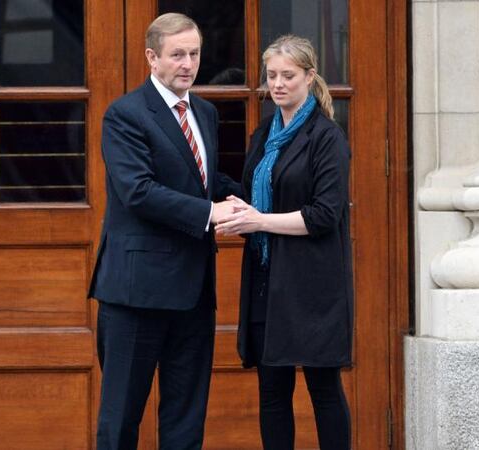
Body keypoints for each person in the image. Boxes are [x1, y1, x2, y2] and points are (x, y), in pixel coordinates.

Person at [87, 13, 241, 450]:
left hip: (194, 291)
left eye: (194, 54)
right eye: (178, 55)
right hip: (136, 294)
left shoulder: (206, 113)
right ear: (153, 57)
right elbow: (138, 191)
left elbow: (207, 181)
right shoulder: (125, 114)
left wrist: (254, 202)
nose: (188, 64)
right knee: (120, 421)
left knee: (185, 422)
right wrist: (211, 213)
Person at [216, 35, 353, 450]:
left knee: (322, 388)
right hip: (265, 276)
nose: (277, 84)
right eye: (271, 75)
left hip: (312, 282)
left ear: (310, 77)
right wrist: (240, 208)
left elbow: (324, 216)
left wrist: (259, 220)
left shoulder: (327, 137)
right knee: (272, 392)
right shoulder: (263, 133)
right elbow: (260, 194)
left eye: (288, 75)